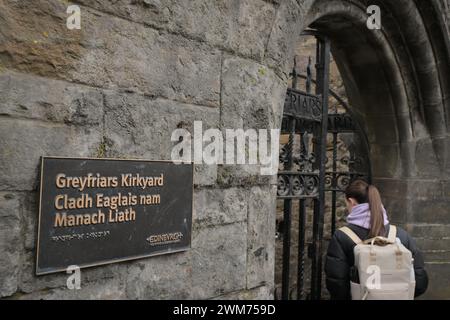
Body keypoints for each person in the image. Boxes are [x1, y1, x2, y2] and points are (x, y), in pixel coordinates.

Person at [325, 179, 428, 300]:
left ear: (351, 202)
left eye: (346, 204)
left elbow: (337, 285)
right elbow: (420, 282)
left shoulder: (342, 236)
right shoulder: (401, 235)